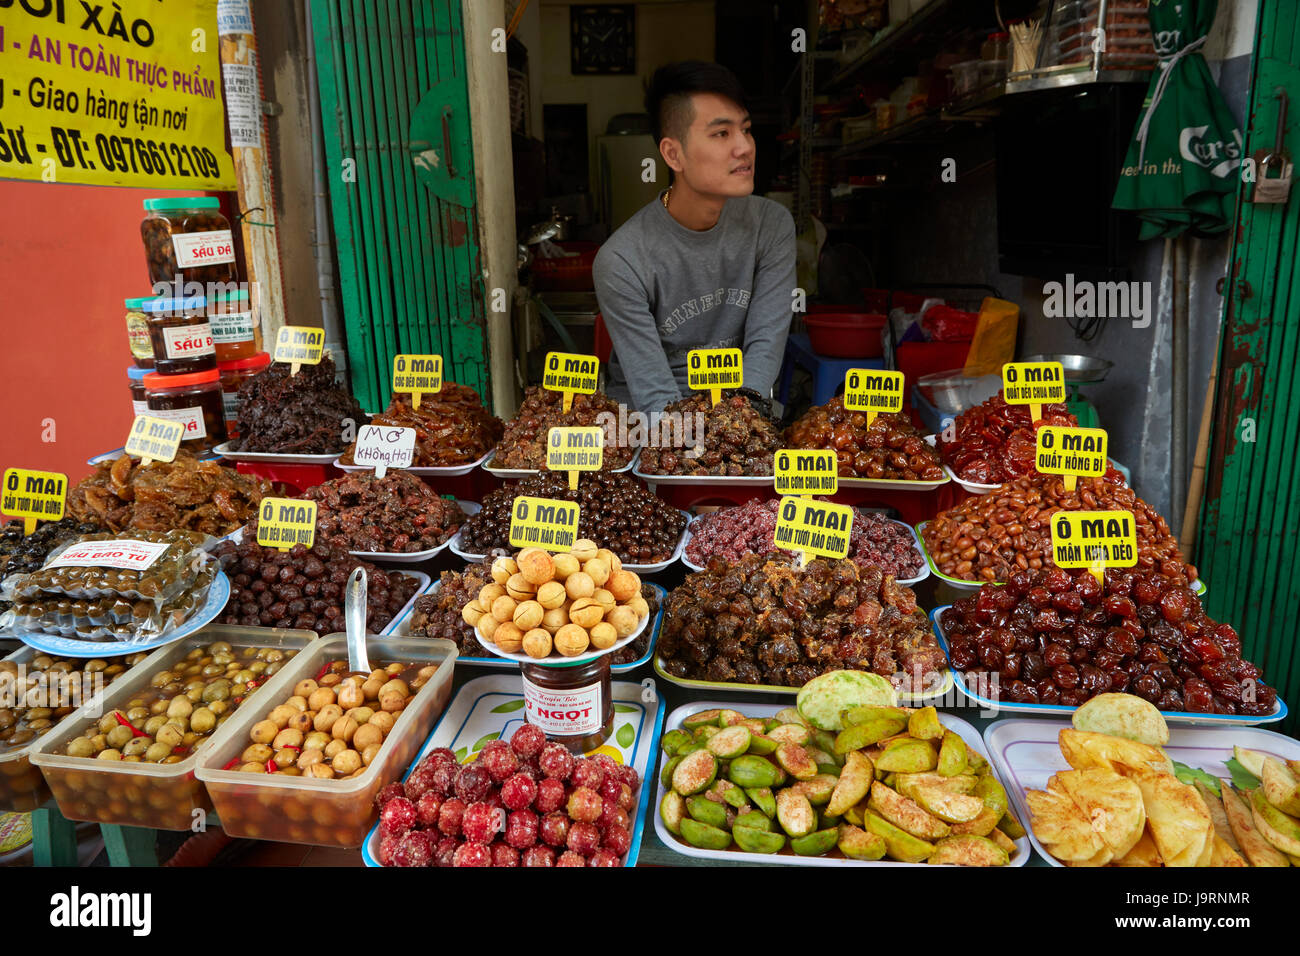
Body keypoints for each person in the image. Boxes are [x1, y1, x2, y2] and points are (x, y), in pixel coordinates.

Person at [593, 61, 796, 414]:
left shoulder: (772, 226)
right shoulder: (622, 260)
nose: (744, 147)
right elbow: (654, 395)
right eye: (722, 134)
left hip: (741, 410)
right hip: (649, 419)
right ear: (674, 154)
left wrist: (736, 430)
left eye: (745, 130)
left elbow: (765, 346)